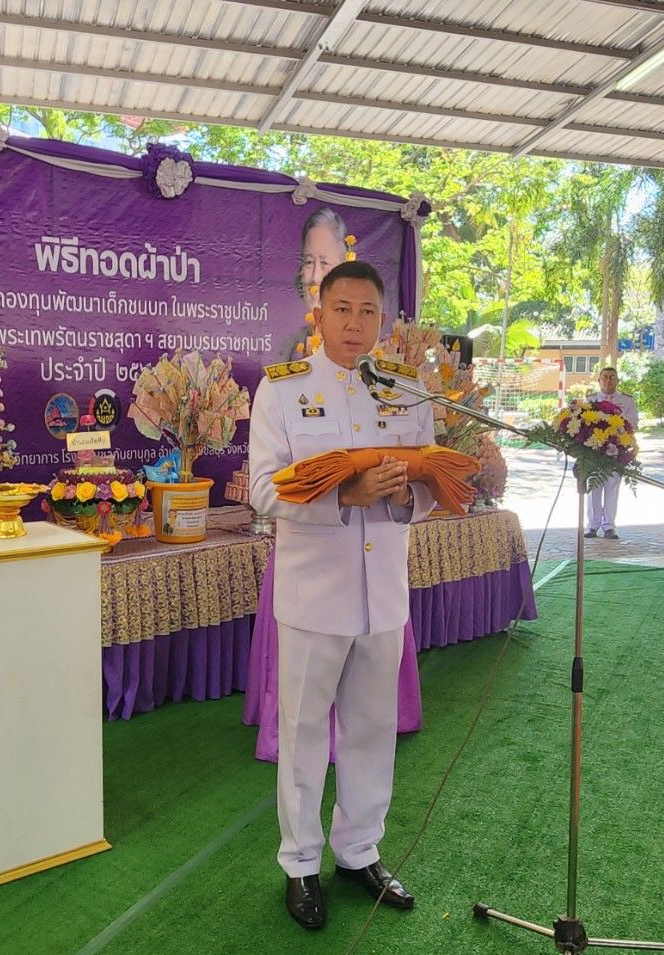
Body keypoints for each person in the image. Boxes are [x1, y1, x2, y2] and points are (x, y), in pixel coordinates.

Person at [249, 261, 435, 931]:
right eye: (342, 309)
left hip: (382, 592)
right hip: (313, 596)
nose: (354, 323)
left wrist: (407, 492)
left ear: (382, 322)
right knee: (302, 733)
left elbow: (431, 484)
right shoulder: (282, 392)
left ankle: (358, 850)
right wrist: (341, 495)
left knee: (370, 729)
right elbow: (264, 491)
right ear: (318, 314)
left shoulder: (407, 392)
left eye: (367, 312)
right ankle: (299, 863)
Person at [279, 208, 349, 361]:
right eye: (309, 262)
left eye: (325, 263)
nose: (316, 277)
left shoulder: (363, 346)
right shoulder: (290, 347)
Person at [585, 366, 638, 540]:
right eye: (605, 377)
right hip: (595, 448)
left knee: (612, 487)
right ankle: (592, 525)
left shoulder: (627, 401)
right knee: (593, 488)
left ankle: (609, 526)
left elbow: (633, 425)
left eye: (612, 377)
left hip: (617, 448)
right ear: (599, 380)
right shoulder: (590, 400)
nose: (608, 380)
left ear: (617, 380)